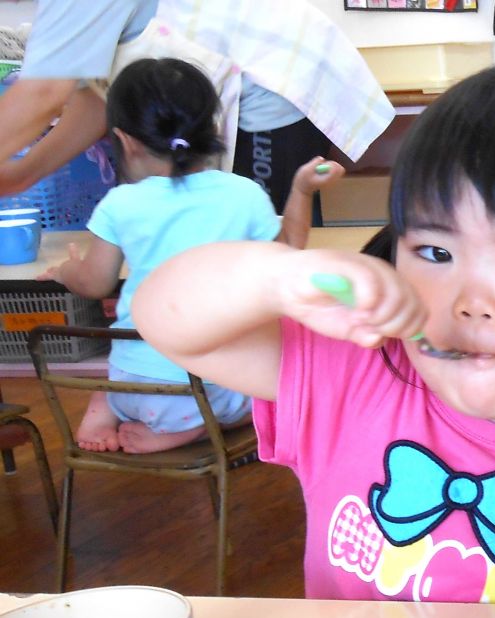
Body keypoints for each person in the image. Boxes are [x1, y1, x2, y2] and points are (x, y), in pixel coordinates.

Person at [131, 62, 495, 607]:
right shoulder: (352, 375)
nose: (472, 303)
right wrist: (278, 277)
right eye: (436, 251)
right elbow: (166, 318)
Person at [38, 57, 341, 454]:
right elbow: (288, 254)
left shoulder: (120, 203)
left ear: (125, 141)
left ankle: (111, 405)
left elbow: (94, 283)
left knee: (132, 371)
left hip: (133, 380)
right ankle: (194, 429)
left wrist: (65, 271)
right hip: (211, 387)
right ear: (214, 129)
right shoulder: (242, 193)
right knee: (288, 386)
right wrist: (301, 191)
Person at [0, 0, 392, 222]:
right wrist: (21, 175)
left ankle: (283, 359)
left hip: (272, 80)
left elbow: (43, 94)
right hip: (226, 89)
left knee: (259, 246)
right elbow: (94, 101)